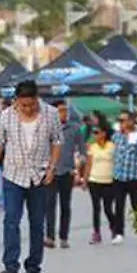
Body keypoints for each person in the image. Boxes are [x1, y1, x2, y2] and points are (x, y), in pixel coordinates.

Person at [0, 81, 62, 273]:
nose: (28, 109)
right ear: (16, 101)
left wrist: (52, 168)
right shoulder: (6, 117)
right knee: (11, 221)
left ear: (37, 99)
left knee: (37, 223)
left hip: (40, 175)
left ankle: (34, 266)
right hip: (13, 175)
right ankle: (11, 265)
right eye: (23, 105)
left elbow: (57, 141)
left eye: (32, 105)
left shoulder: (50, 114)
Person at [45, 100, 85, 249]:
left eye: (65, 110)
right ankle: (49, 236)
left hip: (67, 171)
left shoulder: (74, 128)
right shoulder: (47, 129)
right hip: (51, 171)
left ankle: (64, 236)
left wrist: (79, 169)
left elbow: (82, 151)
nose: (64, 113)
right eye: (60, 110)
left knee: (65, 205)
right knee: (49, 204)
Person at [110, 110, 137, 244]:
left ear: (130, 121)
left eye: (123, 120)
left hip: (134, 176)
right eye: (120, 121)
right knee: (118, 205)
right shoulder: (116, 136)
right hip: (119, 176)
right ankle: (118, 232)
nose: (121, 123)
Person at [82, 125, 118, 245]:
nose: (95, 135)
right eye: (94, 133)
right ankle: (96, 233)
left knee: (108, 208)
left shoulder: (112, 146)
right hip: (94, 180)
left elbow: (117, 161)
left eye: (97, 133)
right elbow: (89, 164)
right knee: (96, 207)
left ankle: (114, 227)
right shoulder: (92, 147)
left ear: (104, 133)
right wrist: (85, 180)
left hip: (109, 181)